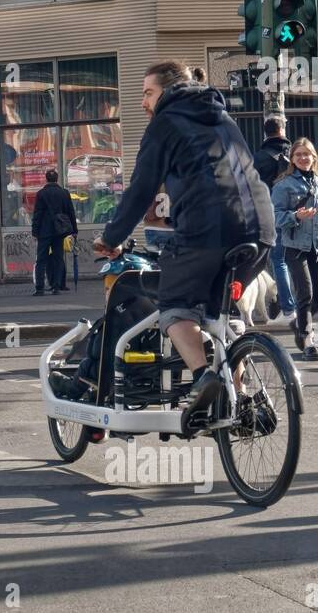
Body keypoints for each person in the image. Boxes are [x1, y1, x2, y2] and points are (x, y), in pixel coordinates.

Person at [92, 61, 275, 414]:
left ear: (167, 90)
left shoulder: (165, 122)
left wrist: (112, 237)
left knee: (175, 307)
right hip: (261, 229)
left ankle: (206, 378)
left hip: (208, 229)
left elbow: (141, 189)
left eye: (148, 93)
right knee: (220, 310)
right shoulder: (222, 116)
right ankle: (239, 400)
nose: (144, 102)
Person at [271, 138, 318, 361]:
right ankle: (308, 342)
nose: (303, 158)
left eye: (306, 154)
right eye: (298, 154)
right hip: (295, 246)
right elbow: (275, 215)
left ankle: (297, 322)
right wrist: (294, 216)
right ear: (292, 159)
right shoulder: (284, 185)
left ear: (314, 157)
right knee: (305, 293)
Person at [253, 117, 296, 324]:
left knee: (277, 261)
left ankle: (285, 306)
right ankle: (294, 305)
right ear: (282, 129)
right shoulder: (297, 153)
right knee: (297, 261)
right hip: (299, 213)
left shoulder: (258, 157)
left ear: (265, 132)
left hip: (270, 215)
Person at [31, 169, 77, 296]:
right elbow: (70, 212)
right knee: (58, 258)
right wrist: (74, 230)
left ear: (46, 179)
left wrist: (35, 231)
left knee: (41, 259)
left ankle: (39, 288)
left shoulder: (41, 194)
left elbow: (37, 214)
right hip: (59, 231)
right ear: (57, 179)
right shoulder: (64, 193)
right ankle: (56, 286)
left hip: (44, 231)